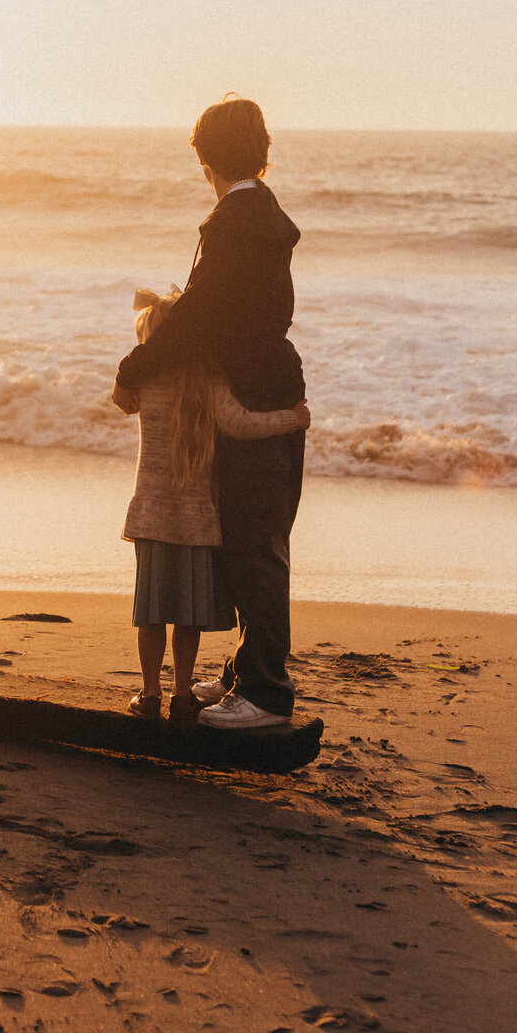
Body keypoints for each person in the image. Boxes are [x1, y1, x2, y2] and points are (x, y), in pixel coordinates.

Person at [113, 96, 306, 731]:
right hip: (274, 381)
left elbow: (197, 316)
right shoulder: (264, 216)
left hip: (252, 390)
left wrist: (133, 368)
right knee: (255, 540)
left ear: (205, 157)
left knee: (255, 548)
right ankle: (246, 676)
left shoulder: (231, 224)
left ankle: (266, 694)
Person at [121, 287, 309, 723]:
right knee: (186, 614)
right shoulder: (208, 380)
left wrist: (127, 372)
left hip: (150, 513)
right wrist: (290, 420)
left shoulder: (144, 381)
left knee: (150, 612)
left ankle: (150, 694)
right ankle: (182, 695)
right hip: (197, 517)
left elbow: (123, 398)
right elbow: (239, 424)